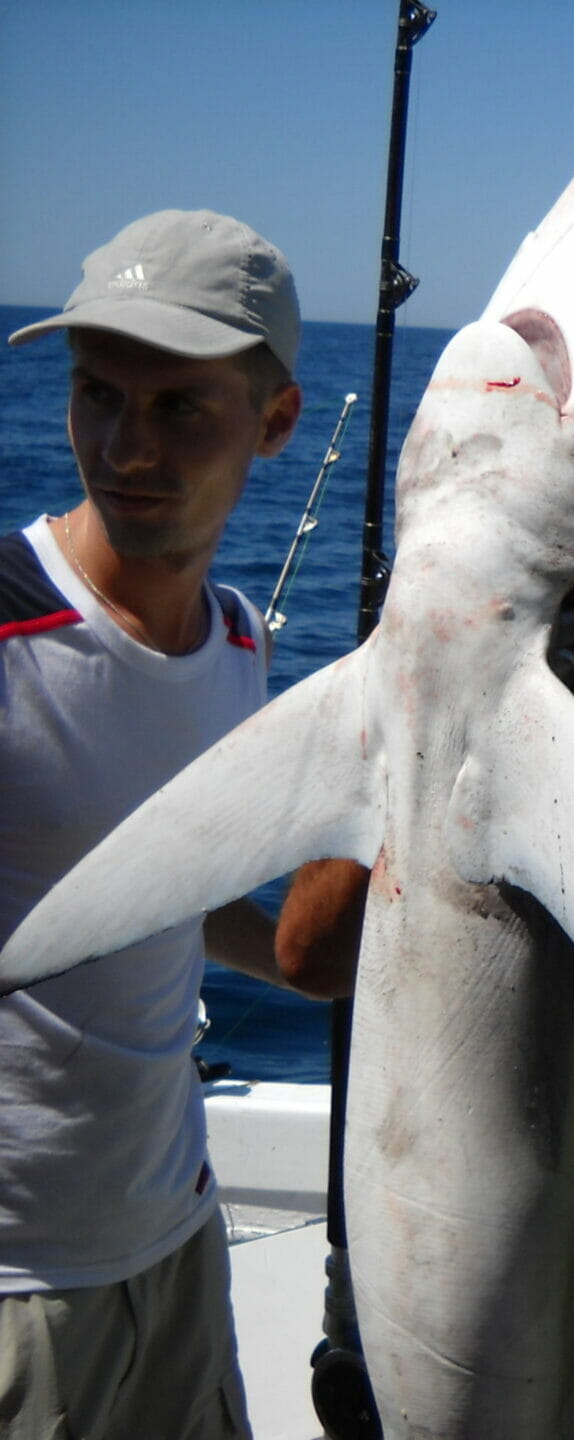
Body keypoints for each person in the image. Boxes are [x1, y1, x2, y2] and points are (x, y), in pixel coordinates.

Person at [0, 210, 349, 1438]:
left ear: (276, 420)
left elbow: (179, 902)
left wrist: (322, 964)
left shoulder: (241, 644)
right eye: (99, 396)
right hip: (19, 1290)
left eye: (179, 408)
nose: (125, 447)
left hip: (178, 1236)